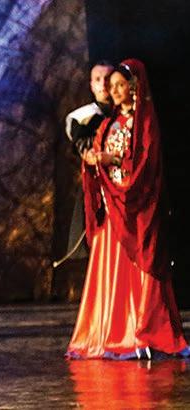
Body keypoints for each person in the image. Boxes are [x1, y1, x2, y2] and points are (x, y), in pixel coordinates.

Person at [67, 59, 189, 359]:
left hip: (137, 208)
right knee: (112, 273)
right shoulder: (107, 124)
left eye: (121, 85)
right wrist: (94, 162)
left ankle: (144, 331)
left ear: (134, 87)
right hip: (114, 210)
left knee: (143, 265)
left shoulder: (144, 124)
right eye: (112, 86)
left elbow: (146, 166)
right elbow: (95, 156)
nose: (115, 91)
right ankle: (114, 332)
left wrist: (117, 167)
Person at [57, 61, 114, 265]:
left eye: (108, 78)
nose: (103, 84)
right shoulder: (83, 117)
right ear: (91, 85)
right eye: (98, 79)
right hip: (99, 188)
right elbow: (85, 149)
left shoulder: (129, 112)